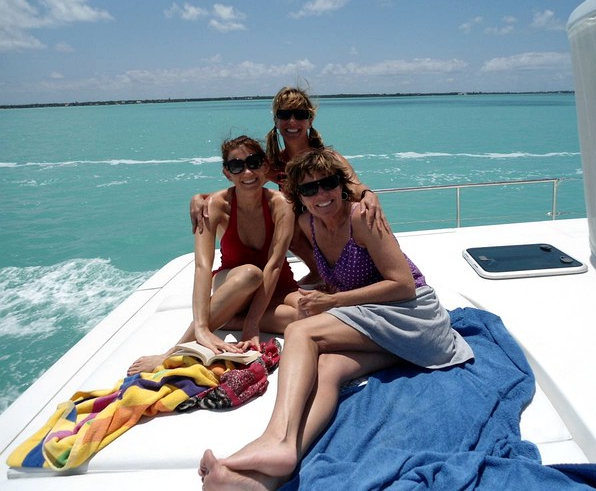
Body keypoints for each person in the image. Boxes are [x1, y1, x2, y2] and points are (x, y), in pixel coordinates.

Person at [198, 148, 474, 490]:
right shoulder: (307, 223)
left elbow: (403, 285)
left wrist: (334, 300)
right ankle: (266, 480)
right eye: (308, 189)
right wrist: (202, 197)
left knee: (301, 332)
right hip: (376, 323)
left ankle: (275, 440)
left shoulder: (361, 217)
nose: (320, 195)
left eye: (327, 184)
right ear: (298, 196)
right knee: (327, 367)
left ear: (342, 186)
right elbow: (248, 188)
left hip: (411, 318)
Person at [127, 136, 300, 376]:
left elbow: (274, 266)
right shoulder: (215, 206)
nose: (247, 171)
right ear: (227, 173)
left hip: (275, 285)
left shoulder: (281, 205)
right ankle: (174, 351)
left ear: (265, 166)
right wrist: (200, 327)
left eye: (254, 162)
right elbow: (202, 266)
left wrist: (251, 326)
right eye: (237, 166)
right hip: (234, 281)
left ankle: (232, 319)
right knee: (251, 274)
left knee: (305, 314)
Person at [189, 86, 387, 284]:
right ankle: (320, 272)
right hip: (307, 231)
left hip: (338, 228)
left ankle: (337, 272)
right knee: (286, 220)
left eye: (300, 114)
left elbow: (355, 186)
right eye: (284, 114)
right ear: (276, 121)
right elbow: (242, 186)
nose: (292, 121)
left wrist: (368, 194)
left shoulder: (327, 158)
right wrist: (203, 198)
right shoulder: (274, 165)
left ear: (310, 120)